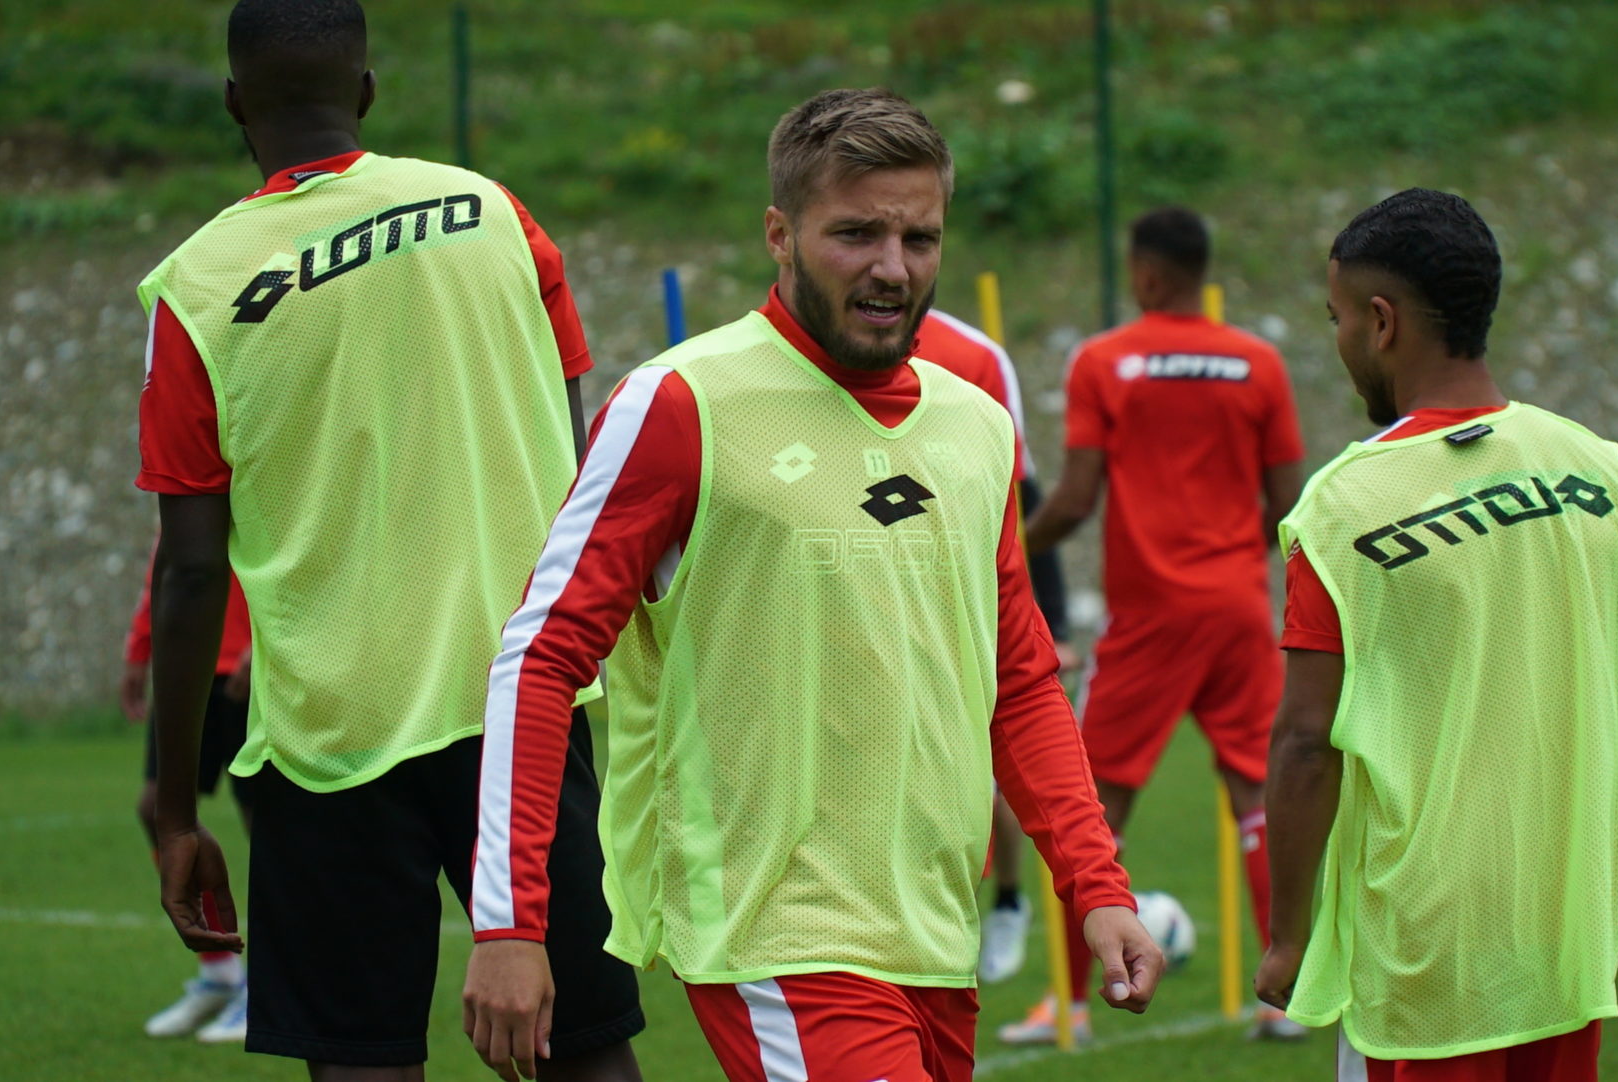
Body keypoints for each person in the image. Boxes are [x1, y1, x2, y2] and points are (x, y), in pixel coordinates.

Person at [462, 88, 1160, 1082]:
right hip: (775, 931)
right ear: (780, 235)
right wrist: (508, 921)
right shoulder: (681, 403)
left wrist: (1098, 887)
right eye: (856, 233)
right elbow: (540, 657)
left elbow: (1019, 680)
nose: (893, 266)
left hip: (933, 932)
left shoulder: (976, 425)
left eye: (919, 237)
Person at [139, 2, 642, 1078]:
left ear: (233, 104)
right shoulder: (496, 213)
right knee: (585, 1049)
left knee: (361, 1060)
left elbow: (190, 568)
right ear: (366, 90)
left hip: (330, 738)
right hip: (522, 704)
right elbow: (573, 453)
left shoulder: (196, 287)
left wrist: (173, 806)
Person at [1253, 188, 1618, 1082]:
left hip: (1422, 947)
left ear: (1382, 322)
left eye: (1337, 319)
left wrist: (1287, 937)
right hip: (1563, 925)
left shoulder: (1343, 509)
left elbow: (1305, 743)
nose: (1340, 342)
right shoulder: (1605, 474)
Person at [1005, 206, 1305, 1044]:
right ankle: (1282, 1001)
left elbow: (1075, 499)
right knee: (1260, 796)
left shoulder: (1106, 360)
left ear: (1143, 272)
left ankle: (1071, 1004)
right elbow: (1289, 501)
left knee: (1094, 807)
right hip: (1238, 606)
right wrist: (1230, 556)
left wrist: (1010, 551)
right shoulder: (1258, 361)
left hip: (1149, 618)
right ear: (1200, 272)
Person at [914, 308, 1077, 984]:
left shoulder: (975, 355)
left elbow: (1017, 491)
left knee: (989, 767)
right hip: (870, 607)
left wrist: (1053, 621)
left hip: (968, 607)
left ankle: (1008, 899)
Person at [123, 536, 255, 1043]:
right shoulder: (183, 490)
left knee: (271, 826)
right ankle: (220, 973)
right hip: (188, 664)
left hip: (255, 668)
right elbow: (170, 555)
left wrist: (270, 640)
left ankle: (268, 986)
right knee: (155, 808)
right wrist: (140, 645)